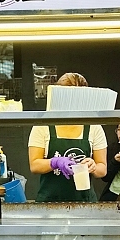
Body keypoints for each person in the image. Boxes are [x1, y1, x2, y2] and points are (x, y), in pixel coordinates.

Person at [27, 72, 108, 202]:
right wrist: (54, 162)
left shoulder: (94, 127)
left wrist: (93, 166)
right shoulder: (42, 126)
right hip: (49, 203)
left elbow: (102, 168)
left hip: (85, 203)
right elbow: (34, 165)